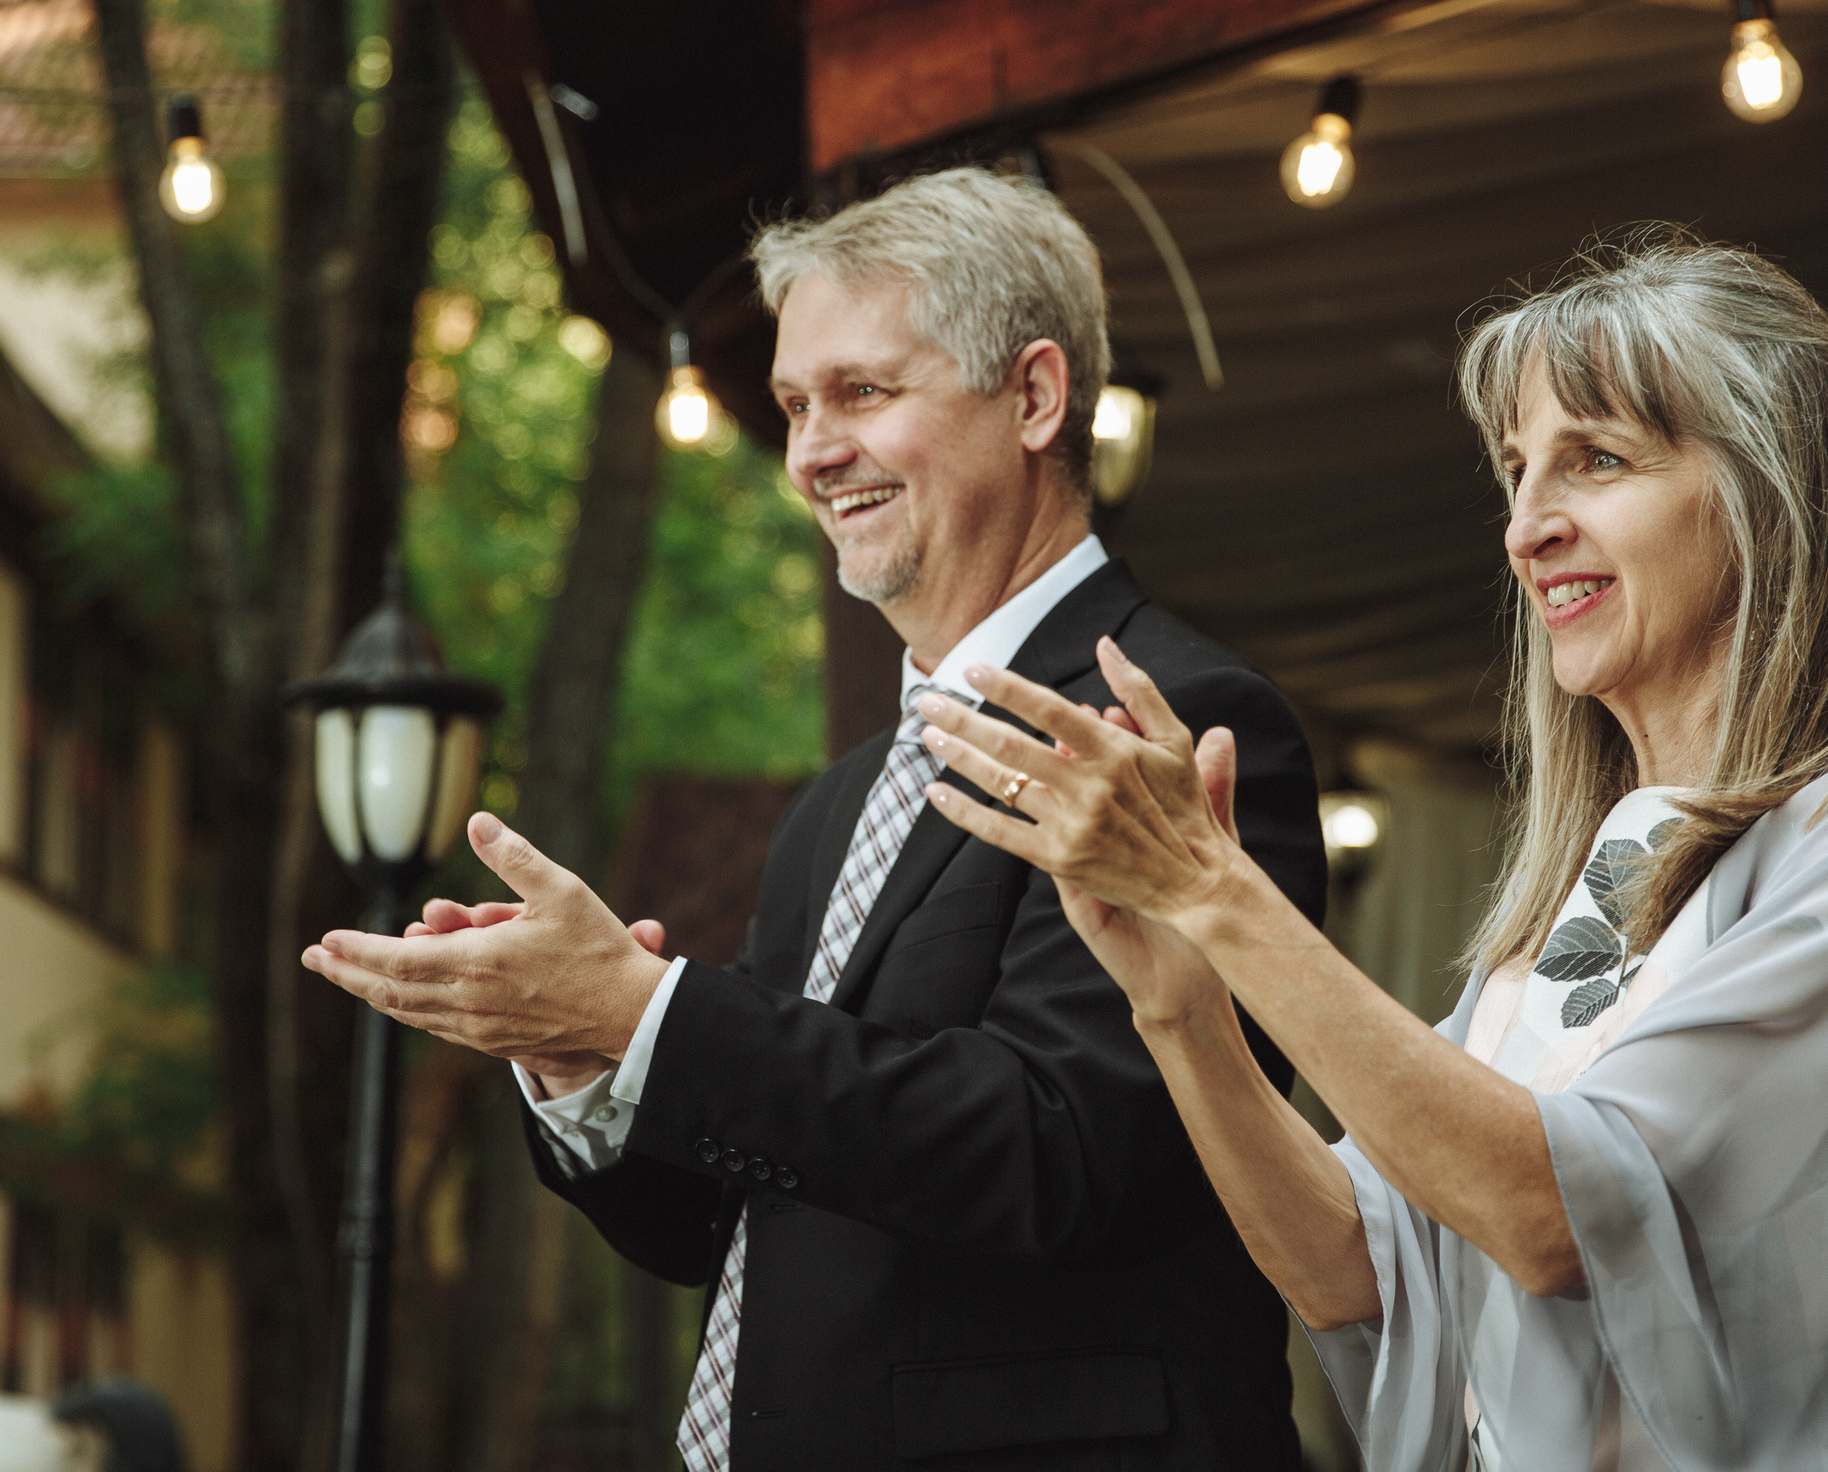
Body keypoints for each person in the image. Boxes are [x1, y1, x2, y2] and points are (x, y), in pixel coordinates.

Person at [914, 232, 1828, 1471]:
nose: (1525, 528)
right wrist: (1183, 1005)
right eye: (1515, 473)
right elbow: (1360, 1263)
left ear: (1773, 495)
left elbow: (1555, 1213)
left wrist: (1216, 888)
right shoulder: (1607, 869)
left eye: (1594, 461)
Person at [301, 167, 1327, 1471]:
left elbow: (1066, 1149)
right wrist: (584, 1055)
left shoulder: (1185, 722)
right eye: (794, 404)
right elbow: (744, 1216)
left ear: (1034, 395)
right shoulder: (835, 805)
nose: (810, 452)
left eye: (862, 392)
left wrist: (651, 1012)